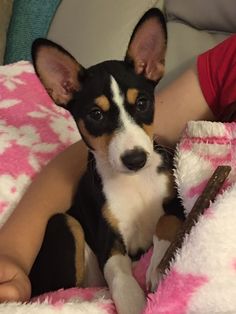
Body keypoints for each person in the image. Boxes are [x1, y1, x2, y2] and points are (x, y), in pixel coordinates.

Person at [0, 33, 235, 303]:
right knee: (63, 229)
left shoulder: (171, 169)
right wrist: (11, 251)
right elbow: (109, 246)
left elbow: (175, 211)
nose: (130, 145)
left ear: (153, 66)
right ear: (62, 88)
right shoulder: (96, 183)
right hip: (89, 266)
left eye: (142, 104)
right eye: (97, 115)